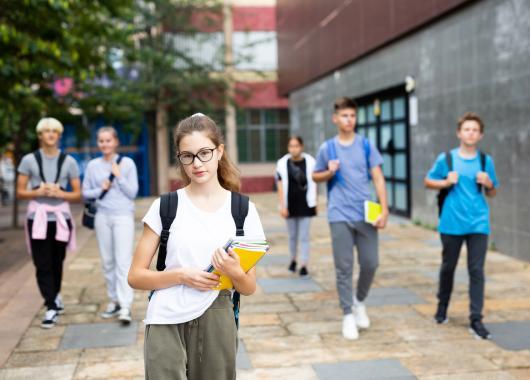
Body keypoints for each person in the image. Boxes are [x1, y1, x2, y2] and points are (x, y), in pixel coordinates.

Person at [128, 113, 265, 379]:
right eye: (187, 156)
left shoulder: (243, 210)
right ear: (179, 157)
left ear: (219, 151)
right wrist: (181, 275)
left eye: (205, 153)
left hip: (218, 312)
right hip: (165, 316)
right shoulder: (165, 206)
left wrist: (234, 271)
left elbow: (248, 287)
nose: (197, 163)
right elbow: (135, 276)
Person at [312, 97, 389, 340]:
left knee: (370, 263)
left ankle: (359, 301)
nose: (349, 120)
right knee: (344, 267)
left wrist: (384, 209)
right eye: (345, 116)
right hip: (339, 214)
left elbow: (378, 178)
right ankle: (347, 314)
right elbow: (316, 177)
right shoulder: (328, 148)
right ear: (336, 119)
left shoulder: (366, 145)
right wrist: (329, 171)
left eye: (353, 116)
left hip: (366, 212)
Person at [425, 112, 498, 340]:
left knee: (476, 270)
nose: (471, 133)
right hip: (451, 222)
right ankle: (442, 306)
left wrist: (488, 183)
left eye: (475, 130)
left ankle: (476, 319)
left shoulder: (486, 161)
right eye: (467, 129)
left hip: (478, 222)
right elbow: (428, 181)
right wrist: (446, 182)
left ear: (481, 135)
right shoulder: (446, 159)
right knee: (449, 266)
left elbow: (493, 192)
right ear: (459, 133)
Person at [16, 117, 81, 328]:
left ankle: (55, 295)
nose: (51, 134)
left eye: (54, 131)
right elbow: (20, 192)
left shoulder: (69, 161)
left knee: (57, 261)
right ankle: (51, 306)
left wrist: (60, 193)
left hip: (60, 218)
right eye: (46, 131)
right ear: (40, 136)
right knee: (41, 263)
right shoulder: (28, 160)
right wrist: (38, 191)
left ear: (59, 135)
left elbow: (77, 194)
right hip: (38, 218)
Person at [82, 127, 138, 324]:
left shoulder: (127, 163)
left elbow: (133, 193)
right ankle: (113, 301)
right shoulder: (93, 166)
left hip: (123, 216)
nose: (104, 144)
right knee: (107, 262)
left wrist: (119, 177)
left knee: (123, 261)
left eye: (108, 140)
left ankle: (125, 306)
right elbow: (85, 193)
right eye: (101, 141)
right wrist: (101, 188)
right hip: (102, 216)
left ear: (115, 142)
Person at [275, 136, 317, 276]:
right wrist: (282, 206)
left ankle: (304, 264)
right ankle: (293, 260)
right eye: (291, 146)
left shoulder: (311, 162)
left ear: (302, 147)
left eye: (296, 145)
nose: (294, 148)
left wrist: (315, 203)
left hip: (306, 205)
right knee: (292, 236)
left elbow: (314, 183)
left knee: (304, 236)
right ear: (288, 148)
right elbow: (280, 186)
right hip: (290, 206)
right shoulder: (282, 163)